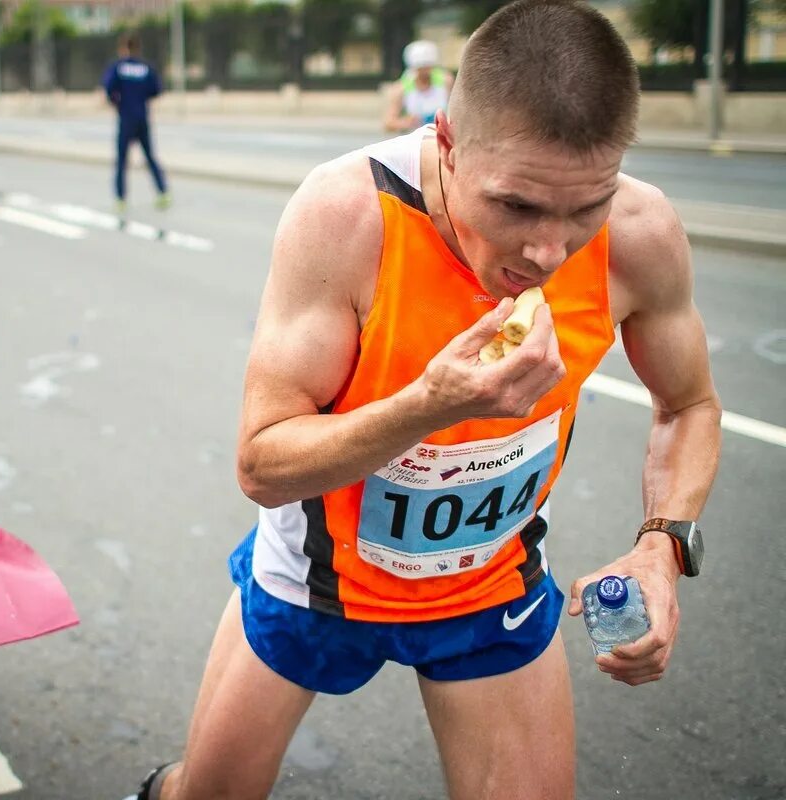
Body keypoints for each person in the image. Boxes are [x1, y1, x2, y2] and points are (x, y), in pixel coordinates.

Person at [126, 2, 720, 799]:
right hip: (318, 582)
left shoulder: (640, 234)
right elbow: (265, 465)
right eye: (514, 207)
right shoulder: (348, 215)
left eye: (586, 208)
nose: (549, 252)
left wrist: (661, 547)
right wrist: (428, 405)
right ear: (443, 143)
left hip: (490, 586)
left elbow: (688, 407)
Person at [101, 34, 169, 214]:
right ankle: (162, 192)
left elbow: (108, 89)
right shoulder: (145, 68)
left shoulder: (118, 67)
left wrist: (118, 102)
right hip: (142, 117)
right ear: (138, 48)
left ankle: (120, 198)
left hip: (126, 118)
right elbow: (156, 89)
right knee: (150, 156)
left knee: (122, 160)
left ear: (123, 48)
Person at [383, 39, 455, 133]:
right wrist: (406, 122)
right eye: (421, 68)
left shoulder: (446, 81)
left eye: (428, 66)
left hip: (442, 136)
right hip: (415, 139)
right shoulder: (401, 88)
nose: (425, 71)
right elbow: (388, 123)